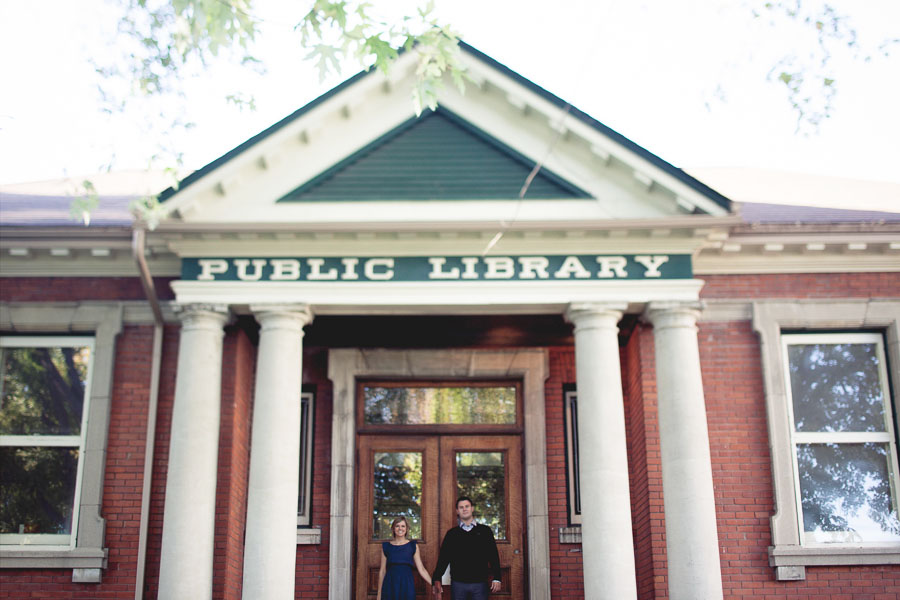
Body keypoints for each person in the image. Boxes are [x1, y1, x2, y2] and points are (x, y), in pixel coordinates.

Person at [431, 497, 502, 599]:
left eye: (467, 506)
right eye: (461, 507)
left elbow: (493, 555)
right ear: (457, 511)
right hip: (458, 584)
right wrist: (436, 579)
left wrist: (497, 578)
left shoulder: (485, 531)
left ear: (472, 508)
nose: (464, 509)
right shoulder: (452, 534)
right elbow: (443, 558)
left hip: (480, 583)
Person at [377, 516, 433, 600]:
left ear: (407, 529)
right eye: (397, 526)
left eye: (403, 526)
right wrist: (379, 593)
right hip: (390, 584)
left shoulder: (412, 546)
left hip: (407, 584)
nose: (400, 528)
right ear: (393, 528)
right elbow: (382, 571)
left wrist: (433, 584)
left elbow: (421, 569)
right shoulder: (386, 546)